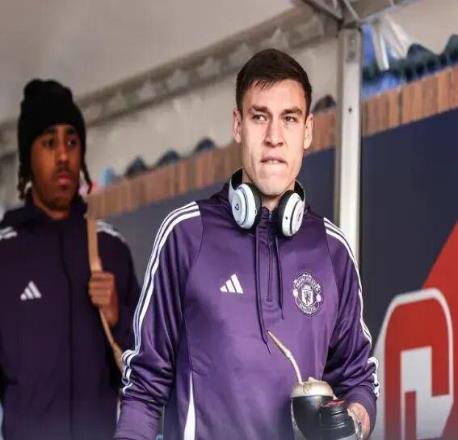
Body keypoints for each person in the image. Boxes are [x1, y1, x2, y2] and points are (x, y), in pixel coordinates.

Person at [115, 48, 378, 439]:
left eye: (289, 119)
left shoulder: (333, 251)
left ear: (307, 130)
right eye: (260, 117)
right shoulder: (186, 235)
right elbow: (144, 388)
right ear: (238, 125)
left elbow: (358, 379)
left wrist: (352, 421)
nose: (274, 137)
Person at [0, 79, 140, 439]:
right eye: (49, 143)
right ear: (28, 158)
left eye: (72, 142)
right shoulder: (5, 255)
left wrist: (117, 317)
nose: (63, 156)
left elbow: (150, 368)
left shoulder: (110, 248)